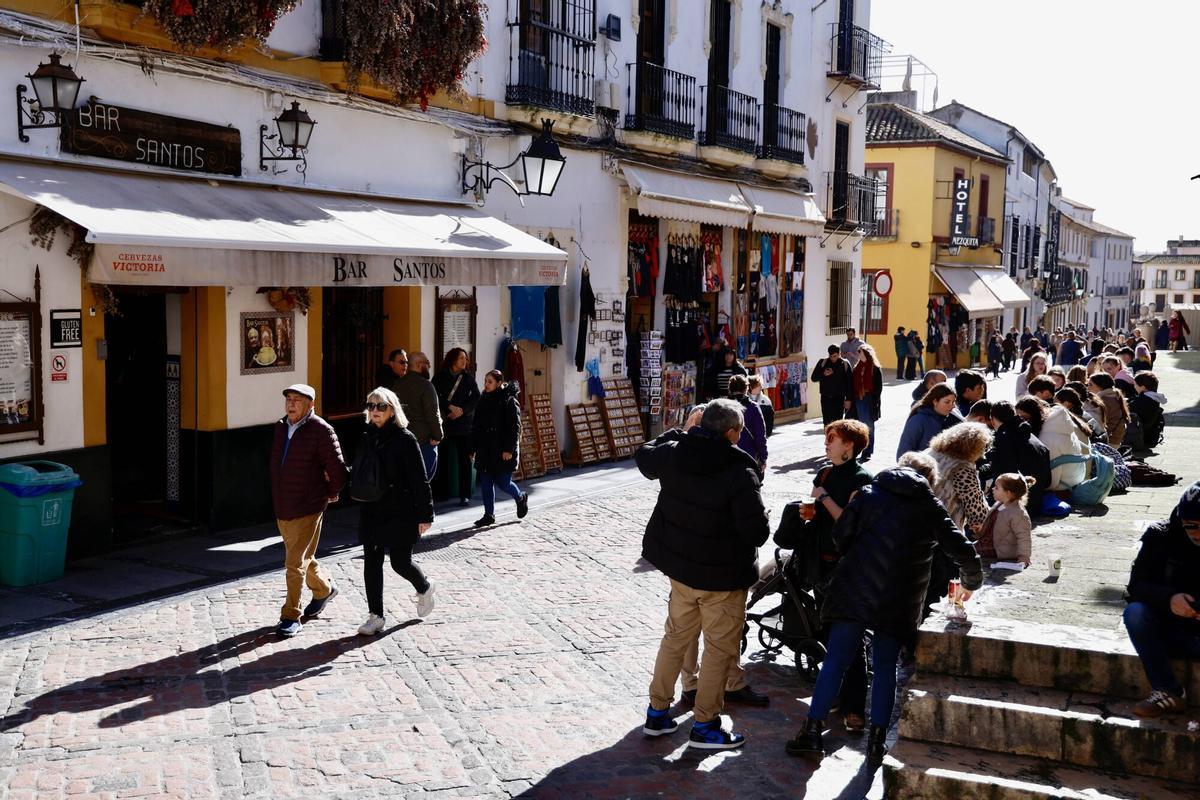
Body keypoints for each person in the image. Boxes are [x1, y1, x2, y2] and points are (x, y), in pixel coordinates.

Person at [785, 452, 983, 763]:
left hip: (855, 589)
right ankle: (876, 742)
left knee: (836, 659)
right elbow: (963, 549)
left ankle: (811, 732)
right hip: (899, 598)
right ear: (929, 480)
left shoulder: (868, 496)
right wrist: (972, 581)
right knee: (886, 667)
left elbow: (840, 535)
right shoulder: (929, 506)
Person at [638, 400, 770, 750]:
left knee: (675, 639)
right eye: (739, 431)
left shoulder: (676, 452)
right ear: (731, 433)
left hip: (682, 569)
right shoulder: (739, 471)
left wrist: (681, 432)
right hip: (722, 578)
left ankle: (657, 712)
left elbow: (644, 453)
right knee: (717, 649)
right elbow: (756, 533)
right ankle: (705, 724)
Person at [805, 420, 875, 732]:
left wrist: (823, 499)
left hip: (845, 568)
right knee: (826, 632)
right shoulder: (825, 473)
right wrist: (808, 511)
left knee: (850, 640)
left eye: (832, 439)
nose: (826, 443)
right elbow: (818, 515)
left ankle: (854, 706)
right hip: (820, 563)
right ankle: (835, 693)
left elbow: (849, 522)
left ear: (849, 445)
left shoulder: (862, 478)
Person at [354, 387, 436, 635]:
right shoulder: (366, 437)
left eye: (381, 406)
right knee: (372, 563)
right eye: (371, 406)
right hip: (372, 509)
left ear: (392, 410)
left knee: (400, 563)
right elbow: (358, 469)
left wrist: (425, 515)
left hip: (401, 510)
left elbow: (420, 480)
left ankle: (424, 587)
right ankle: (376, 616)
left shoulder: (405, 439)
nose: (375, 411)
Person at [269, 384, 348, 639]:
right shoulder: (281, 427)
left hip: (309, 505)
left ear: (310, 405)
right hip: (284, 503)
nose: (290, 404)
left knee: (293, 563)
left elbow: (337, 468)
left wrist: (331, 492)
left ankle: (291, 615)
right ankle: (324, 589)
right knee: (302, 557)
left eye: (297, 400)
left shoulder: (322, 430)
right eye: (288, 399)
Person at [1123, 481, 1200, 718]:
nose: (1198, 533)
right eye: (1191, 526)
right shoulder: (1161, 536)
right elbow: (1136, 586)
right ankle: (1167, 690)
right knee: (1135, 613)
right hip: (1170, 628)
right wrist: (1169, 599)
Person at [470, 370, 528, 528]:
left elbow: (514, 428)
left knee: (503, 483)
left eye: (489, 381)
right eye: (485, 381)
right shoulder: (483, 399)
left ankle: (520, 497)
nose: (486, 384)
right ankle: (489, 514)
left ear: (499, 383)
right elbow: (476, 426)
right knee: (486, 483)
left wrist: (509, 449)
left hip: (503, 449)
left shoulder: (509, 400)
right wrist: (473, 447)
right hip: (485, 448)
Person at [432, 348, 481, 506]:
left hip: (463, 424)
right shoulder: (440, 377)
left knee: (464, 461)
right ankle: (441, 492)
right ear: (452, 359)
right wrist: (449, 407)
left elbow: (476, 397)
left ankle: (464, 494)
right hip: (445, 423)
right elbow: (434, 396)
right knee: (442, 459)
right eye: (461, 358)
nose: (464, 361)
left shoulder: (467, 378)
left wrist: (462, 411)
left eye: (465, 359)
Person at [386, 348, 444, 480]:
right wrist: (438, 435)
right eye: (427, 362)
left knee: (406, 482)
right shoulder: (426, 386)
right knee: (423, 481)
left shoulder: (397, 385)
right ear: (419, 365)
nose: (429, 366)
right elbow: (433, 414)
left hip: (402, 440)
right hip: (424, 442)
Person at [926, 423, 993, 537]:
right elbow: (975, 507)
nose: (983, 455)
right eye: (982, 448)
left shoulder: (930, 453)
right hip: (944, 527)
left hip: (918, 518)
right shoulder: (963, 468)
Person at [983, 400, 1050, 512]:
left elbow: (1000, 477)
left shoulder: (1002, 440)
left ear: (993, 420)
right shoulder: (1031, 437)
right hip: (1037, 501)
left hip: (1016, 505)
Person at [974, 473, 1035, 565]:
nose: (993, 489)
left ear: (1008, 493)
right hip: (990, 541)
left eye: (997, 487)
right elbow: (993, 521)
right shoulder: (1000, 504)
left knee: (966, 551)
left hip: (999, 548)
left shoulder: (1018, 513)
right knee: (964, 547)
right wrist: (981, 527)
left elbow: (1024, 537)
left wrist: (1024, 556)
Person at [897, 384, 959, 458]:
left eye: (953, 402)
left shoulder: (952, 418)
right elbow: (903, 454)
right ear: (935, 401)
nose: (952, 406)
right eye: (947, 402)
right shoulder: (918, 420)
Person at [728, 374, 768, 475]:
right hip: (749, 457)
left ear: (730, 389)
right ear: (746, 388)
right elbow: (760, 436)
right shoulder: (753, 408)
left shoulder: (722, 407)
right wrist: (763, 458)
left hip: (727, 457)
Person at [851, 345, 883, 462]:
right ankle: (861, 448)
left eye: (860, 352)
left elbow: (878, 388)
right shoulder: (857, 367)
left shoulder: (875, 368)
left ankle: (868, 451)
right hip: (859, 398)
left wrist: (874, 402)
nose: (858, 354)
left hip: (869, 399)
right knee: (860, 426)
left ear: (866, 354)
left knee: (869, 426)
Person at [813, 344, 853, 426]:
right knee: (827, 423)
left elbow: (850, 383)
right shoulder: (823, 362)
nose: (832, 358)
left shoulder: (845, 364)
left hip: (839, 398)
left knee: (838, 423)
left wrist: (848, 399)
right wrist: (823, 374)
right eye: (830, 356)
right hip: (826, 398)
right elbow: (814, 378)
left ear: (839, 354)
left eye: (834, 356)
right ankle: (828, 438)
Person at [1088, 373, 1129, 448]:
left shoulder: (1104, 400)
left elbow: (1098, 422)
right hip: (1115, 438)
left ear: (1100, 386)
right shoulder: (1114, 395)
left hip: (1107, 441)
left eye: (1091, 384)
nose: (1088, 387)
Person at [1130, 372, 1167, 452]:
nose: (1134, 387)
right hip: (1148, 434)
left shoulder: (1143, 400)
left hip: (1140, 435)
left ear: (1143, 387)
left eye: (1135, 384)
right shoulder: (1154, 399)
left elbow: (1130, 410)